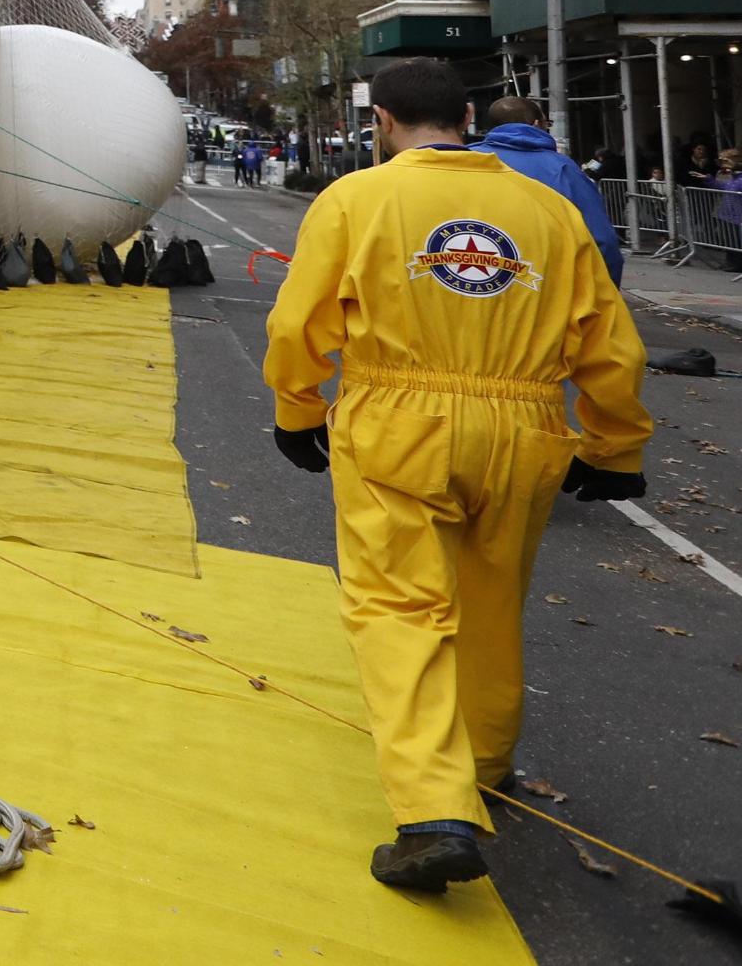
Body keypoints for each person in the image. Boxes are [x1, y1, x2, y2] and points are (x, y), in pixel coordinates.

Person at [264, 57, 650, 894]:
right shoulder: (547, 209)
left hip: (398, 422)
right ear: (468, 118)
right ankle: (484, 761)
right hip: (524, 425)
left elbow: (299, 322)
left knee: (400, 608)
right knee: (491, 596)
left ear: (381, 121)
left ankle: (433, 810)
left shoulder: (358, 199)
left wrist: (297, 408)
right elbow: (609, 338)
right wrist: (614, 444)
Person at [471, 95, 624, 285]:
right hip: (547, 286)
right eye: (547, 123)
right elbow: (602, 242)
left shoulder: (463, 159)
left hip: (471, 281)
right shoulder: (562, 169)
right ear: (537, 124)